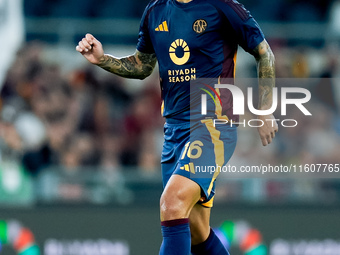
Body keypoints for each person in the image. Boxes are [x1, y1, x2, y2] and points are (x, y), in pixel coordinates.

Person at [76, 0, 278, 254]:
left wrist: (266, 108)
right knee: (196, 232)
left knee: (172, 204)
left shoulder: (222, 6)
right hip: (174, 130)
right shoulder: (155, 11)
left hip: (213, 124)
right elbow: (142, 66)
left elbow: (263, 51)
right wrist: (103, 59)